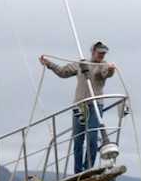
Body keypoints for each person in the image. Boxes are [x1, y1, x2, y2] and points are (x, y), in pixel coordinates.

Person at [39, 41, 115, 174]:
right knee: (78, 140)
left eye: (104, 53)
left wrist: (111, 69)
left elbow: (104, 73)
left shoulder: (103, 66)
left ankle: (88, 168)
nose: (102, 55)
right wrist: (49, 64)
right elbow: (63, 72)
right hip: (79, 106)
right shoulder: (81, 64)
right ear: (93, 52)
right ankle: (78, 171)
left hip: (95, 106)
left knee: (92, 138)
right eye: (100, 53)